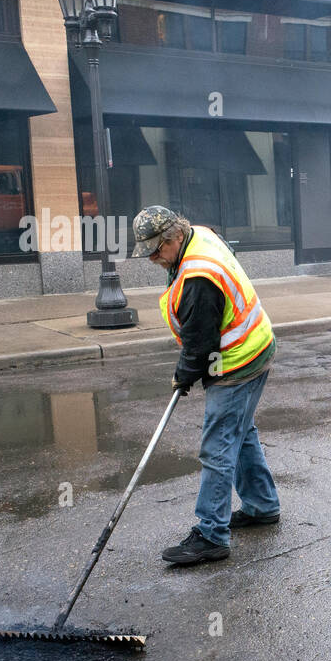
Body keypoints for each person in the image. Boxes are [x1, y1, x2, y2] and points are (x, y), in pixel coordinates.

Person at [130, 205, 281, 564]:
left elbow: (201, 344)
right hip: (255, 346)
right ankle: (262, 505)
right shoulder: (200, 234)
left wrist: (183, 376)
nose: (153, 258)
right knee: (241, 434)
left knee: (217, 446)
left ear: (175, 237)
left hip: (237, 360)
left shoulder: (198, 276)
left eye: (156, 250)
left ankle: (211, 534)